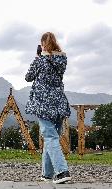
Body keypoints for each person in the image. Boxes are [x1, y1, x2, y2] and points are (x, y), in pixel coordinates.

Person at [25, 32, 72, 184]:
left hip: (43, 103)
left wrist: (38, 57)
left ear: (43, 44)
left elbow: (28, 77)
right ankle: (47, 174)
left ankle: (62, 171)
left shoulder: (40, 60)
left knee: (50, 137)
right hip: (58, 103)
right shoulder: (62, 59)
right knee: (51, 137)